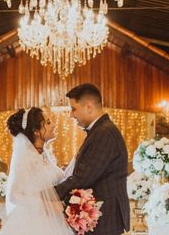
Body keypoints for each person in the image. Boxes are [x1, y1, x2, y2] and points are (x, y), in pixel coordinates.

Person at [55, 83, 130, 235]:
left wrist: (49, 194)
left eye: (73, 109)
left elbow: (84, 177)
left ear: (89, 107)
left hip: (105, 217)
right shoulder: (100, 131)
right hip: (102, 215)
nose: (71, 115)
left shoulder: (103, 133)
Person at [0, 107, 73, 235]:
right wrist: (49, 206)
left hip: (52, 220)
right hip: (34, 223)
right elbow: (14, 195)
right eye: (48, 122)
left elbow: (61, 179)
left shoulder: (42, 155)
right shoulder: (27, 158)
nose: (54, 125)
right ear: (36, 131)